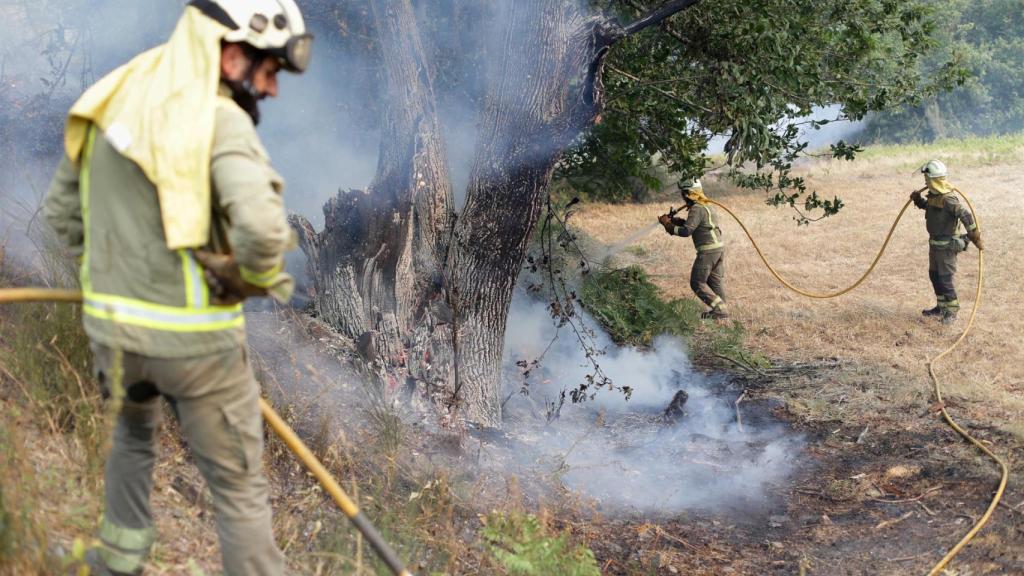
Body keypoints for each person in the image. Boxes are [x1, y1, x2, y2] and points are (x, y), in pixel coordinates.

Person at [42, 1, 313, 574]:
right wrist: (248, 280)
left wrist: (115, 281)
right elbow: (264, 233)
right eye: (268, 70)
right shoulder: (218, 118)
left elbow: (62, 213)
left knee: (132, 440)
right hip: (197, 351)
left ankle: (116, 559)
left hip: (114, 337)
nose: (272, 89)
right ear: (231, 52)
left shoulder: (114, 93)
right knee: (238, 486)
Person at [911, 160, 983, 325]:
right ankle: (941, 307)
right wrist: (917, 200)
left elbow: (965, 215)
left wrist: (974, 236)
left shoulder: (948, 199)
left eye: (927, 178)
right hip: (935, 245)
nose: (925, 182)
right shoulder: (934, 197)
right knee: (934, 275)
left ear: (934, 180)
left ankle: (951, 311)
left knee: (945, 279)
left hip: (947, 247)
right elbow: (928, 207)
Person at [659, 179, 728, 319]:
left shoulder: (697, 208)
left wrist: (668, 225)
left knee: (697, 282)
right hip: (718, 250)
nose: (683, 197)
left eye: (683, 194)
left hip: (708, 252)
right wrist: (679, 222)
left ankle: (720, 310)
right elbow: (698, 226)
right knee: (714, 282)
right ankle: (722, 313)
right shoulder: (706, 205)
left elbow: (686, 232)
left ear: (688, 194)